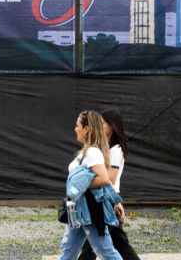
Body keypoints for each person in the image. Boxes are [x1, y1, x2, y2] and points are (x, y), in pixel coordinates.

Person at [58, 110, 124, 260]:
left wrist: (78, 185)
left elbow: (104, 178)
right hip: (79, 207)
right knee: (68, 249)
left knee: (105, 250)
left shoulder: (93, 152)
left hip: (90, 209)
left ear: (86, 129)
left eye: (77, 125)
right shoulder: (86, 151)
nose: (75, 129)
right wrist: (115, 201)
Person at [78, 108, 140, 260]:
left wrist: (85, 180)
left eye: (103, 123)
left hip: (107, 198)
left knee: (91, 245)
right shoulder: (103, 148)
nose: (99, 127)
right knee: (119, 244)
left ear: (112, 126)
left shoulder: (116, 150)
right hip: (105, 198)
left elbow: (109, 179)